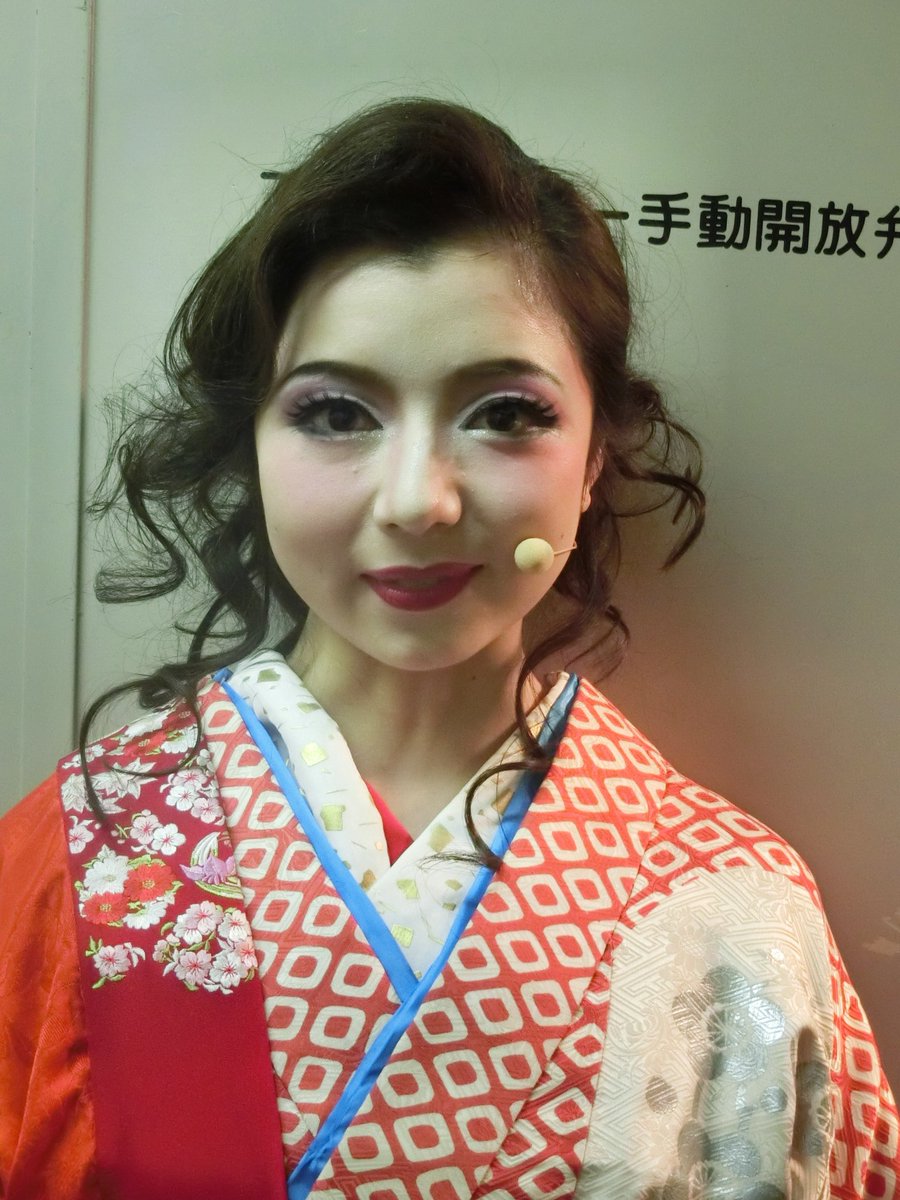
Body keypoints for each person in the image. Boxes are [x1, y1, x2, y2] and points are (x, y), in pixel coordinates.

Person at [0, 97, 896, 1200]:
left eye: (506, 413)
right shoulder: (82, 854)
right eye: (336, 414)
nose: (418, 501)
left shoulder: (735, 909)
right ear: (252, 448)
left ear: (594, 459)